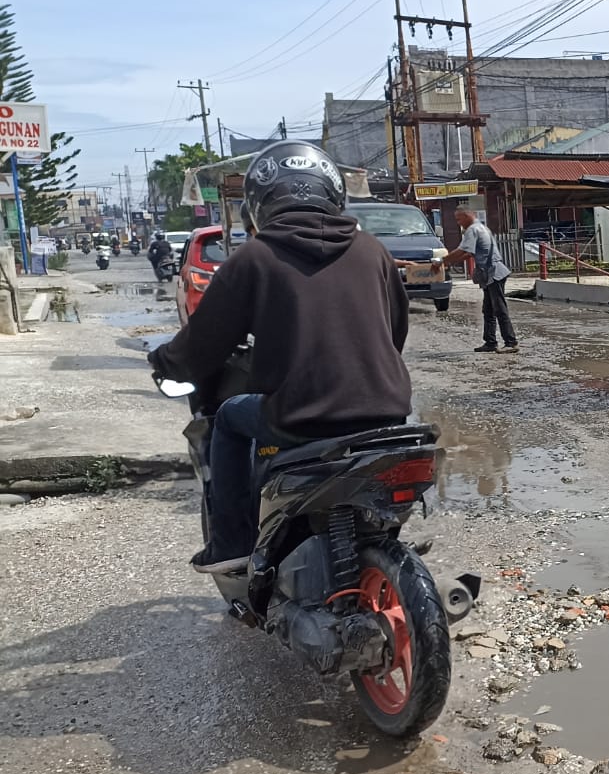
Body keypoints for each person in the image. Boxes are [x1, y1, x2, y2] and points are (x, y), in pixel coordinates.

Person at [148, 141, 412, 574]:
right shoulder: (373, 251)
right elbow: (395, 331)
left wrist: (165, 362)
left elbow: (204, 343)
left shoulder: (254, 256)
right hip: (388, 413)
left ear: (260, 203)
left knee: (230, 417)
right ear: (333, 193)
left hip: (300, 417)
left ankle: (231, 544)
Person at [439, 208, 517, 354]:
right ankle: (490, 342)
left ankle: (511, 342)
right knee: (488, 310)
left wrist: (441, 261)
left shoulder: (473, 229)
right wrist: (449, 262)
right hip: (489, 273)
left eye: (459, 219)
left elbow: (462, 250)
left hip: (494, 272)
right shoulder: (481, 228)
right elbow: (469, 253)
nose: (459, 223)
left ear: (468, 215)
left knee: (499, 309)